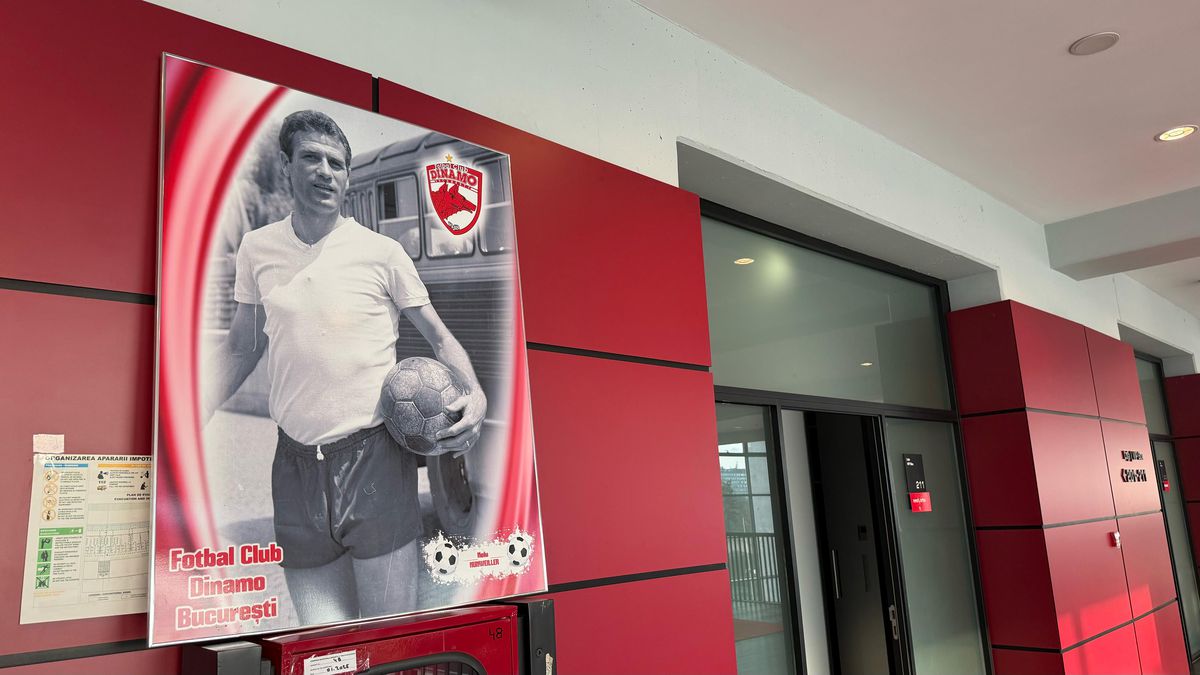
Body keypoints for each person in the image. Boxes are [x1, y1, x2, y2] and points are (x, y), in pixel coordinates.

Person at [202, 110, 487, 624]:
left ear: (348, 177)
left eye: (336, 163)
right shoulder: (256, 249)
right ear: (286, 165)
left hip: (373, 459)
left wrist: (476, 396)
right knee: (322, 639)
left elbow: (442, 340)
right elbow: (241, 347)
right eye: (311, 158)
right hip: (294, 465)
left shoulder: (382, 253)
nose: (324, 171)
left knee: (386, 636)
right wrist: (185, 419)